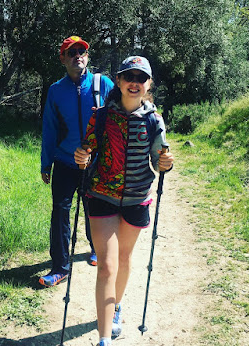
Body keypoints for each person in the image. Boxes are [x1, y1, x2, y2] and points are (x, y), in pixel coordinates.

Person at [74, 56, 174, 346]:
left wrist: (166, 162)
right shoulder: (101, 116)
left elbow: (158, 163)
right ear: (118, 81)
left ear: (148, 84)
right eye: (128, 76)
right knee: (106, 265)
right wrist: (82, 158)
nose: (134, 82)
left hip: (136, 198)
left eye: (140, 78)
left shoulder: (154, 120)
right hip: (102, 194)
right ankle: (104, 339)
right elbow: (86, 150)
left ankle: (115, 307)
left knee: (124, 258)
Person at [40, 36, 114, 287]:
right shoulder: (55, 90)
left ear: (87, 56)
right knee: (60, 212)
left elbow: (120, 114)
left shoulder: (102, 83)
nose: (77, 56)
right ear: (63, 58)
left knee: (95, 210)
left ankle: (96, 248)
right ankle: (60, 267)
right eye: (71, 52)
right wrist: (45, 163)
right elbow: (49, 129)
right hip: (64, 162)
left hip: (96, 163)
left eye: (81, 51)